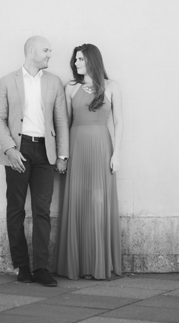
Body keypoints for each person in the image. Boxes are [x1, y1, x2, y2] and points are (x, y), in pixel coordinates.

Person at [0, 36, 69, 287]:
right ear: (31, 51)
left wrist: (62, 155)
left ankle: (41, 268)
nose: (49, 54)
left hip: (45, 152)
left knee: (42, 211)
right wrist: (10, 150)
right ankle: (22, 266)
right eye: (46, 50)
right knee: (15, 209)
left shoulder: (54, 82)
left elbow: (61, 122)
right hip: (19, 148)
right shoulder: (7, 81)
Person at [54, 43, 123, 280]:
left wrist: (117, 154)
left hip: (102, 147)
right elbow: (65, 122)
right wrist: (63, 154)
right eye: (75, 60)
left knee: (97, 202)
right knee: (77, 201)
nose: (76, 63)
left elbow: (120, 122)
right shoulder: (71, 88)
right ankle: (78, 264)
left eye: (81, 59)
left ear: (92, 60)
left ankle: (97, 264)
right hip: (77, 146)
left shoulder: (112, 86)